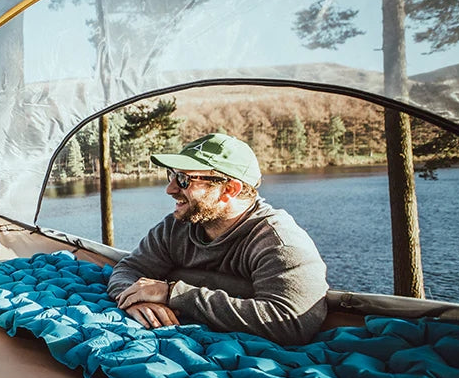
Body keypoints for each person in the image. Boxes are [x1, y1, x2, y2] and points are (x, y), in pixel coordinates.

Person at [106, 133, 328, 345]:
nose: (170, 188)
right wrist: (137, 300)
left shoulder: (279, 241)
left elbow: (290, 322)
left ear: (229, 189)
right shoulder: (175, 227)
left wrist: (174, 293)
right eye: (172, 175)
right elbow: (128, 269)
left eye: (184, 179)